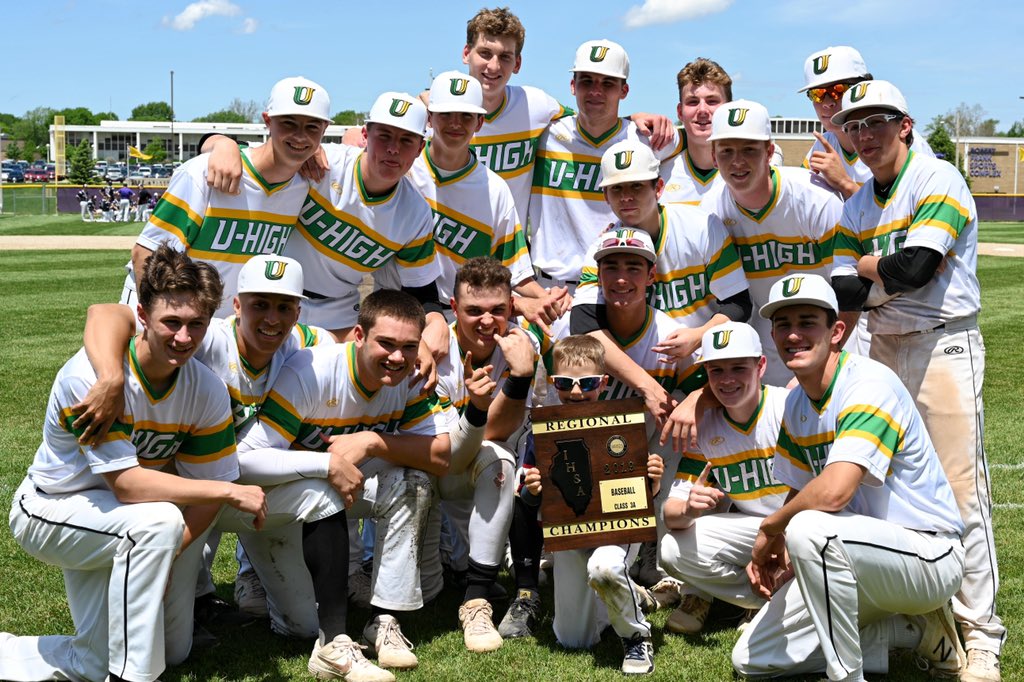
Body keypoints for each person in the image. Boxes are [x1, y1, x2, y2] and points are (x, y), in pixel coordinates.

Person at [0, 245, 267, 682]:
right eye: (172, 322)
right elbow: (127, 485)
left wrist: (164, 554)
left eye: (196, 324)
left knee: (158, 653)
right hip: (53, 509)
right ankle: (134, 678)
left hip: (124, 522)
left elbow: (201, 497)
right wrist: (227, 492)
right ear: (142, 316)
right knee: (158, 520)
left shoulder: (207, 389)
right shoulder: (91, 378)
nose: (184, 337)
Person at [830, 80, 1002, 682]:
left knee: (962, 495)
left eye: (876, 121)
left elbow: (919, 270)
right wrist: (884, 274)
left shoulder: (938, 179)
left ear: (905, 124)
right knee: (890, 495)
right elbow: (839, 289)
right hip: (882, 346)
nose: (864, 134)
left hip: (942, 344)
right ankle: (934, 626)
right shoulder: (855, 205)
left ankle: (982, 637)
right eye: (854, 125)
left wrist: (872, 267)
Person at [732, 273, 966, 680]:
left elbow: (835, 491)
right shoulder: (796, 403)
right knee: (753, 660)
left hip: (928, 555)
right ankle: (909, 631)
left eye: (807, 322)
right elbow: (799, 490)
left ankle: (847, 676)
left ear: (836, 331)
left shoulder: (867, 383)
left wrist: (772, 529)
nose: (793, 335)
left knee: (810, 530)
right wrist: (781, 545)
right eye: (783, 324)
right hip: (859, 554)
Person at [234, 289, 451, 671]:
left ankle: (385, 619)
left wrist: (372, 441)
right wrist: (324, 464)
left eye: (408, 346)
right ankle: (256, 572)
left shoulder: (409, 375)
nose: (398, 357)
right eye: (386, 343)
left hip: (338, 495)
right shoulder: (311, 370)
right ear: (358, 335)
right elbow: (246, 460)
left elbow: (440, 455)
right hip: (284, 502)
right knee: (300, 627)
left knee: (414, 479)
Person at [123, 76, 332, 316]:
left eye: (312, 126)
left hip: (222, 326)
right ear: (267, 121)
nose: (299, 135)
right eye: (288, 123)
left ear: (324, 129)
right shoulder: (202, 172)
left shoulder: (305, 184)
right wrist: (156, 322)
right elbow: (146, 253)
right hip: (165, 314)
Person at [518, 335, 663, 675]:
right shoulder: (541, 430)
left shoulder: (624, 424)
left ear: (604, 382)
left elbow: (641, 496)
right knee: (573, 640)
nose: (577, 391)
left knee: (605, 569)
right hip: (567, 533)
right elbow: (524, 495)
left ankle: (636, 637)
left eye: (588, 383)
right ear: (553, 383)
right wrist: (533, 490)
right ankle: (628, 594)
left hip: (615, 531)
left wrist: (652, 481)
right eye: (565, 383)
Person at [459, 7, 675, 225]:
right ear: (466, 53)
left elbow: (594, 118)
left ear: (517, 63)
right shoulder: (437, 116)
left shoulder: (536, 106)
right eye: (485, 53)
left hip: (513, 250)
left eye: (505, 56)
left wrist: (632, 120)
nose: (494, 65)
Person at [428, 257, 540, 652]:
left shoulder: (524, 344)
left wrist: (523, 376)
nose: (487, 321)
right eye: (474, 311)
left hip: (486, 475)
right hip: (433, 470)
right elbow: (454, 450)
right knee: (427, 588)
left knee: (498, 458)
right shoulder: (433, 352)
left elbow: (499, 430)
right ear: (453, 309)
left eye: (497, 309)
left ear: (511, 306)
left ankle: (475, 601)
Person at [700, 99, 843, 386]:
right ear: (714, 157)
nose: (737, 162)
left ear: (768, 152)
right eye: (727, 151)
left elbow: (847, 288)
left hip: (830, 338)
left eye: (749, 150)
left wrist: (833, 355)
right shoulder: (710, 210)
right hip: (765, 342)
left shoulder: (816, 199)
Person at [408, 70, 565, 330]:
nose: (455, 123)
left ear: (479, 123)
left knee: (522, 353)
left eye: (466, 116)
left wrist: (547, 298)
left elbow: (516, 272)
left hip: (471, 319)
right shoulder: (405, 171)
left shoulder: (495, 189)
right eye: (446, 114)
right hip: (406, 308)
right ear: (430, 118)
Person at [659, 321, 788, 634]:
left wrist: (783, 537)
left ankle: (789, 599)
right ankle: (765, 600)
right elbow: (670, 514)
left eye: (738, 368)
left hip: (804, 527)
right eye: (716, 370)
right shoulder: (706, 427)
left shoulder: (788, 408)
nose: (727, 380)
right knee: (672, 548)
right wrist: (689, 508)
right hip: (755, 531)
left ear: (761, 365)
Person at [528, 39, 681, 291]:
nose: (595, 91)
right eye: (586, 80)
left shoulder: (646, 138)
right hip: (550, 288)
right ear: (572, 85)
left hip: (620, 288)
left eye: (608, 83)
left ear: (624, 91)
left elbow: (699, 147)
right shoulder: (544, 133)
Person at [798, 46, 933, 201]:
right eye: (817, 94)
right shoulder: (823, 144)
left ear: (865, 87)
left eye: (839, 90)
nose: (827, 103)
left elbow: (898, 216)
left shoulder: (901, 141)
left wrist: (845, 184)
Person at [659, 58, 732, 206]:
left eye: (712, 101)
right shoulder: (658, 176)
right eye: (693, 102)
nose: (702, 110)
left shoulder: (746, 174)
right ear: (680, 112)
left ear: (729, 109)